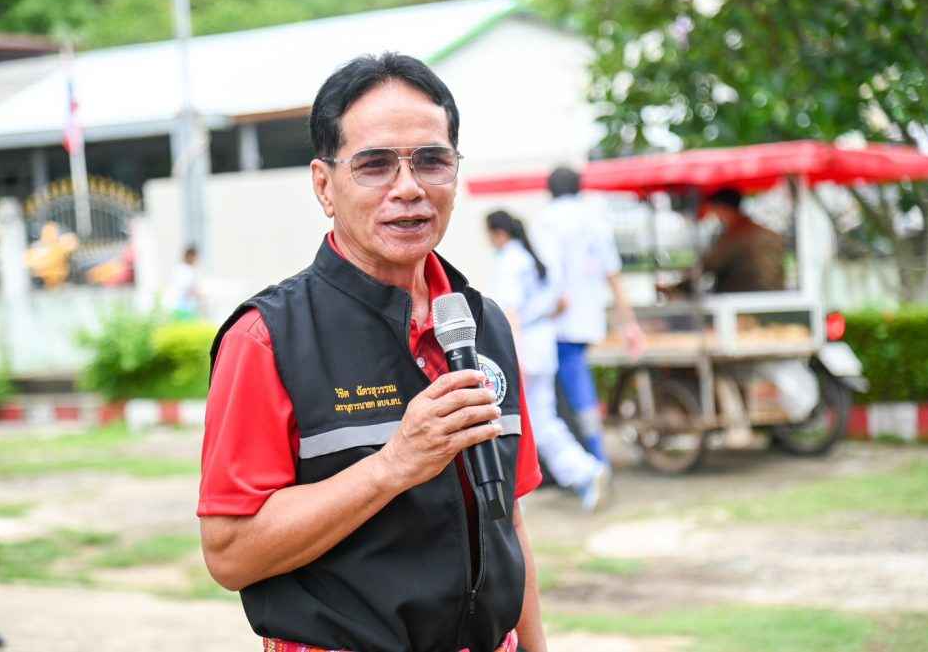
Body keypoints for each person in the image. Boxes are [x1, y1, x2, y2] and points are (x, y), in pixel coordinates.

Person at [199, 53, 546, 652]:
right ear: (324, 185)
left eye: (432, 161)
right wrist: (392, 466)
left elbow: (507, 519)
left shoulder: (481, 324)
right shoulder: (267, 338)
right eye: (375, 165)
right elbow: (230, 554)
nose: (408, 189)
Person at [486, 210, 606, 511]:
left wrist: (514, 357)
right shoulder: (532, 258)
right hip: (542, 344)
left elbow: (510, 313)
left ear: (498, 233)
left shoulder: (510, 262)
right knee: (541, 421)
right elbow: (562, 303)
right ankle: (585, 471)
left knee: (514, 423)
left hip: (524, 348)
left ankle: (519, 494)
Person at [535, 167, 642, 478]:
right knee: (578, 392)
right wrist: (629, 323)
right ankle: (590, 458)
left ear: (550, 190)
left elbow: (550, 273)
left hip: (557, 322)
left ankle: (594, 461)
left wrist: (546, 308)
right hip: (587, 320)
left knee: (561, 399)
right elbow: (613, 274)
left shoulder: (547, 220)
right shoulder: (595, 220)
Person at [694, 187, 786, 293]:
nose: (715, 216)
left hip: (743, 297)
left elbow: (708, 265)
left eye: (714, 211)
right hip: (774, 295)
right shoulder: (769, 234)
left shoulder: (734, 236)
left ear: (722, 208)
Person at [162, 245, 203, 318]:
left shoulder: (181, 269)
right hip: (178, 304)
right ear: (190, 256)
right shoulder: (184, 270)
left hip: (179, 304)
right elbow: (188, 288)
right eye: (195, 257)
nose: (196, 260)